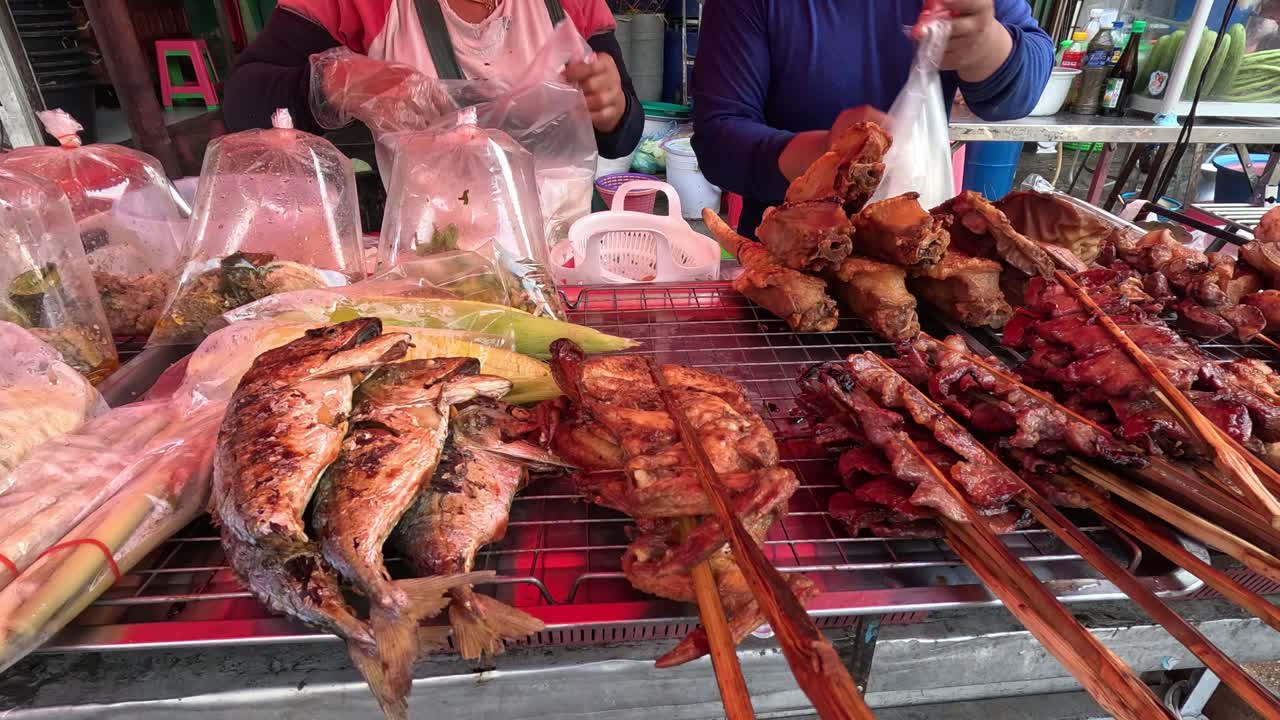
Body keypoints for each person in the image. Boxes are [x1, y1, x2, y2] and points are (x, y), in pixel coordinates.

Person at [691, 0, 1054, 236]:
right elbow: (719, 140)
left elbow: (1019, 92)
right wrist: (829, 156)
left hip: (919, 242)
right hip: (788, 248)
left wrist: (983, 43)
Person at [222, 0, 644, 159]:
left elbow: (622, 138)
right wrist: (340, 81)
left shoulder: (575, 3)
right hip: (428, 261)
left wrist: (612, 109)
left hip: (560, 255)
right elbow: (244, 102)